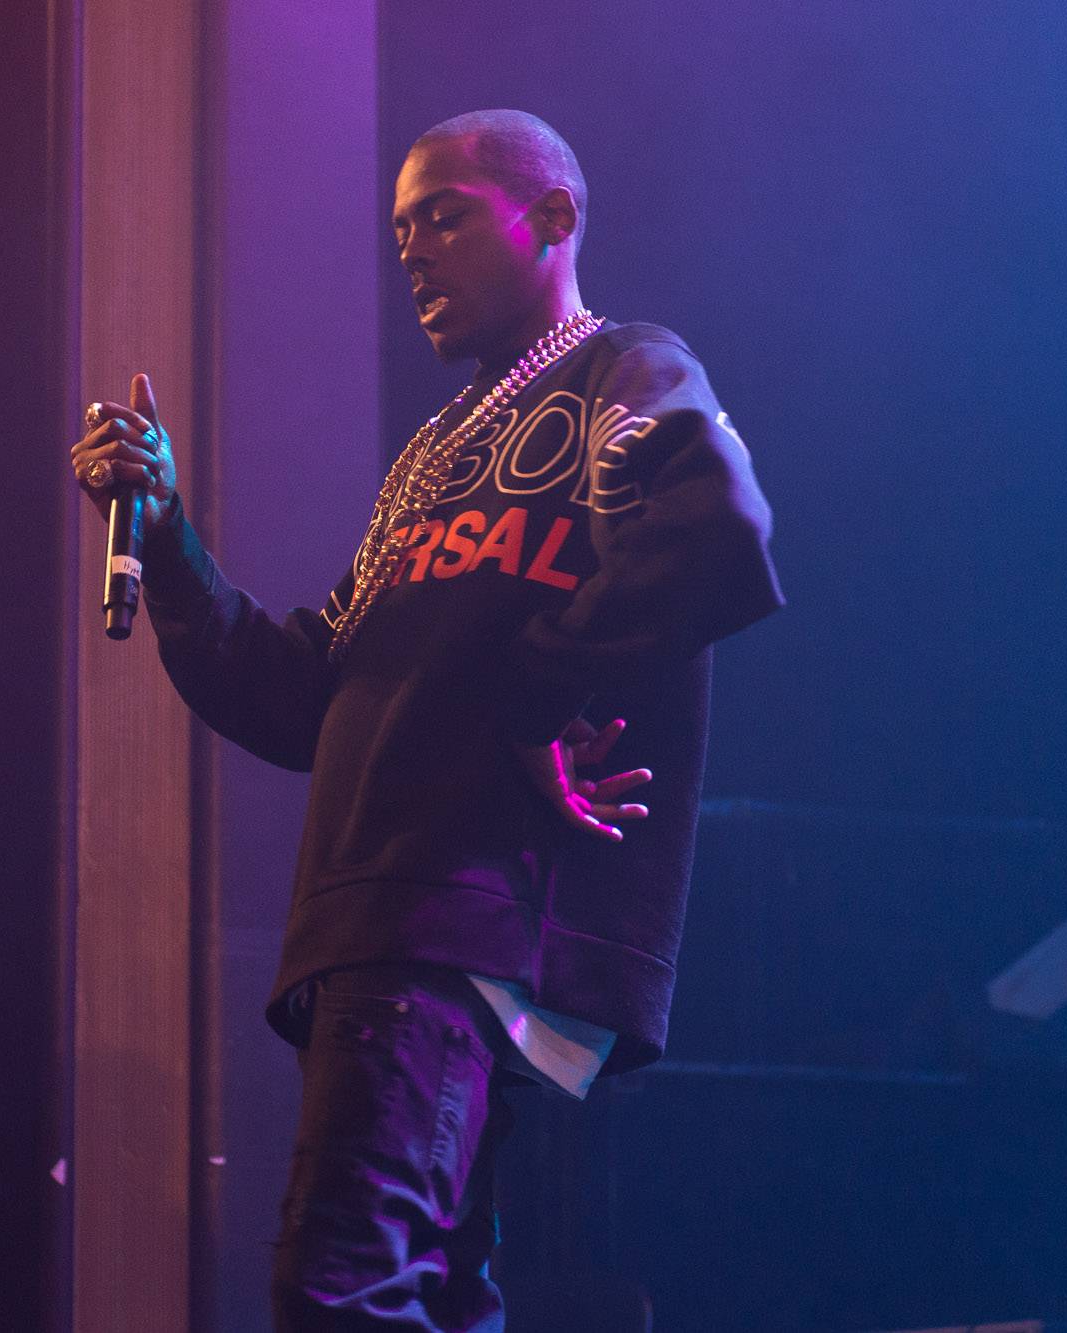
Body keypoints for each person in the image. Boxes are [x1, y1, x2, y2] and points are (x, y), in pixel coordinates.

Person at [69, 109, 783, 1331]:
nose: (412, 252)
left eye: (443, 218)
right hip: (390, 907)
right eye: (400, 232)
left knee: (340, 1285)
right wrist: (168, 536)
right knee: (427, 1299)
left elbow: (711, 530)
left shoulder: (623, 369)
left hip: (453, 908)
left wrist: (534, 698)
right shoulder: (437, 449)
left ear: (550, 218)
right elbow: (305, 697)